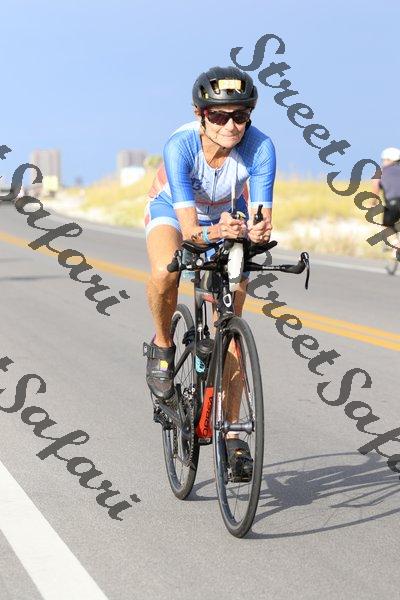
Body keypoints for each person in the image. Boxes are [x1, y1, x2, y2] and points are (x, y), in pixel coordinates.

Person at [143, 66, 276, 471]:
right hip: (174, 212)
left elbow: (263, 217)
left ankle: (233, 434)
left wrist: (257, 230)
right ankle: (163, 345)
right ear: (200, 115)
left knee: (231, 327)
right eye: (218, 116)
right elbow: (188, 232)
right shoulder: (180, 146)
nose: (230, 126)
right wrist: (215, 231)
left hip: (227, 216)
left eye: (240, 116)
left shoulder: (261, 148)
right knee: (166, 271)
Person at [372, 147, 400, 251]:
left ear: (389, 159)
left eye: (384, 160)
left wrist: (373, 202)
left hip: (393, 203)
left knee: (387, 226)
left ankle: (395, 244)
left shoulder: (380, 172)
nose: (383, 162)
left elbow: (375, 187)